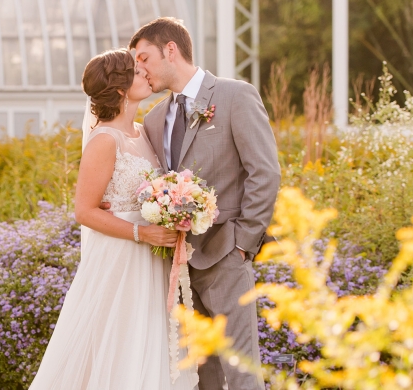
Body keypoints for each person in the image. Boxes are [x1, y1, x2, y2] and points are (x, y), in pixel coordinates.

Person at [29, 49, 198, 390]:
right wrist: (142, 232)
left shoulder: (142, 131)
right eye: (137, 73)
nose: (146, 75)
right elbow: (85, 210)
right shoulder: (105, 139)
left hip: (152, 258)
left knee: (149, 338)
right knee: (119, 340)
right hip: (122, 258)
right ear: (120, 89)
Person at [129, 17, 281, 390]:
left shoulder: (234, 95)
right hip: (176, 268)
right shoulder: (152, 120)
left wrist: (243, 243)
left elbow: (265, 172)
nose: (140, 70)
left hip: (227, 257)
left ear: (170, 49)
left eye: (144, 58)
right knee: (201, 377)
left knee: (243, 373)